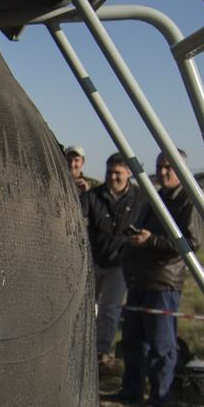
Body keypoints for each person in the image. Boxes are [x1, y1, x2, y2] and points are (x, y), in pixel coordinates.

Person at [112, 151, 203, 407]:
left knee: (161, 346)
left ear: (182, 170)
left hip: (163, 283)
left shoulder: (189, 200)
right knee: (132, 342)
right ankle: (132, 391)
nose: (163, 172)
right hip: (138, 279)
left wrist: (150, 240)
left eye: (169, 167)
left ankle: (160, 397)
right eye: (160, 166)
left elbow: (192, 242)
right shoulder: (157, 197)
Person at [81, 153, 142, 367]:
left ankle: (100, 353)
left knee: (110, 309)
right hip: (93, 260)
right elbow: (79, 216)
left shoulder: (140, 198)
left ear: (128, 174)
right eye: (109, 172)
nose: (113, 176)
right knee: (85, 306)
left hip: (120, 263)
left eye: (118, 173)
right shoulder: (92, 196)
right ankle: (81, 347)